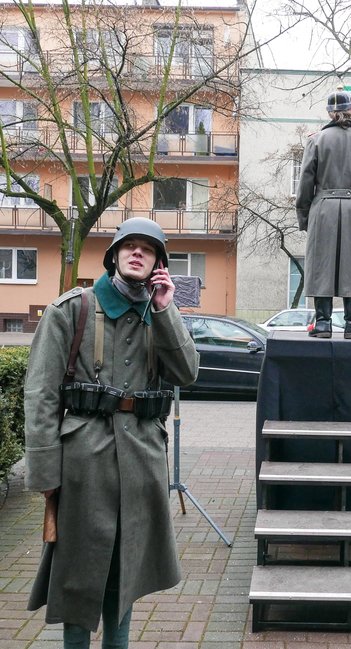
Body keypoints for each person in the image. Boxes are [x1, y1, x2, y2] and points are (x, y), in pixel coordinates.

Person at [24, 217, 199, 649]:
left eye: (148, 248)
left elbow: (186, 373)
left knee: (125, 575)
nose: (137, 253)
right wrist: (45, 472)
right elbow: (41, 394)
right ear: (114, 255)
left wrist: (166, 310)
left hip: (141, 460)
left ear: (158, 264)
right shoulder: (72, 309)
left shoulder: (158, 315)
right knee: (77, 575)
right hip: (84, 463)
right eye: (129, 245)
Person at [295, 89, 351, 339]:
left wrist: (304, 216)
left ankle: (323, 323)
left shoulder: (316, 140)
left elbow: (305, 182)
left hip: (323, 209)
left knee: (321, 264)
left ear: (329, 112)